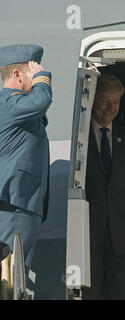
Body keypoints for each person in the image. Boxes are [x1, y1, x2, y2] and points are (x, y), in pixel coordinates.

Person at [83, 74, 125, 300]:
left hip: (123, 238)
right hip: (88, 236)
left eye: (116, 102)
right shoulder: (79, 138)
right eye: (105, 101)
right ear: (92, 99)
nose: (111, 108)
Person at [0, 44, 52, 284]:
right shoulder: (9, 103)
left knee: (15, 277)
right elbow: (41, 103)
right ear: (18, 75)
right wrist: (42, 80)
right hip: (14, 204)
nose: (38, 73)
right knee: (12, 277)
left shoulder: (16, 106)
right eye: (33, 69)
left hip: (21, 204)